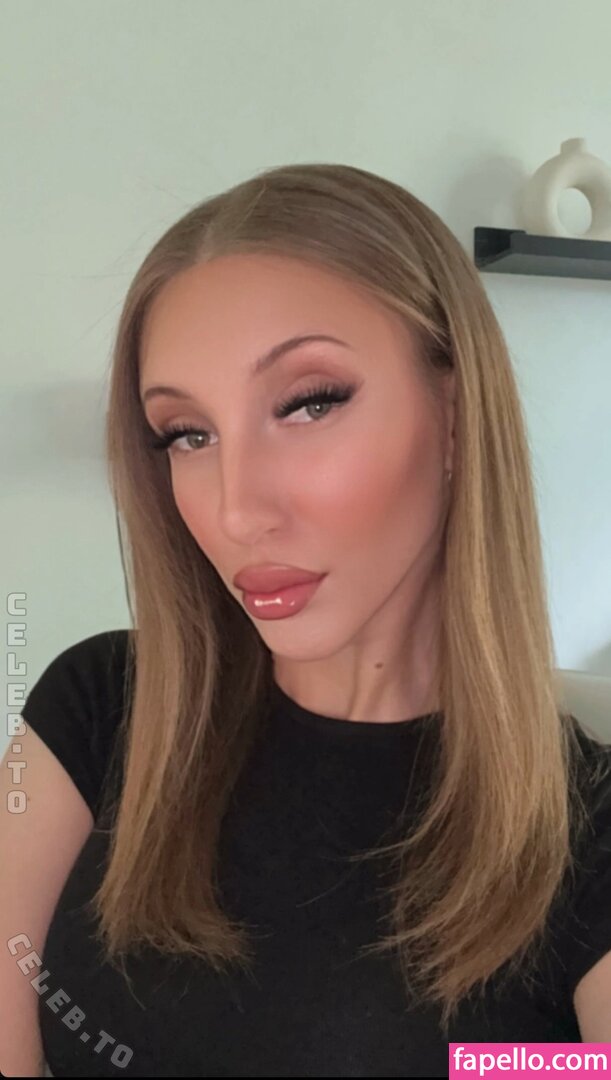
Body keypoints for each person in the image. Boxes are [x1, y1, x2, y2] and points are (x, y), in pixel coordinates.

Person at [3, 163, 611, 1078]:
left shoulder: (585, 835)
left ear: (453, 416)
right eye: (188, 434)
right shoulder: (97, 709)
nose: (236, 511)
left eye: (308, 403)